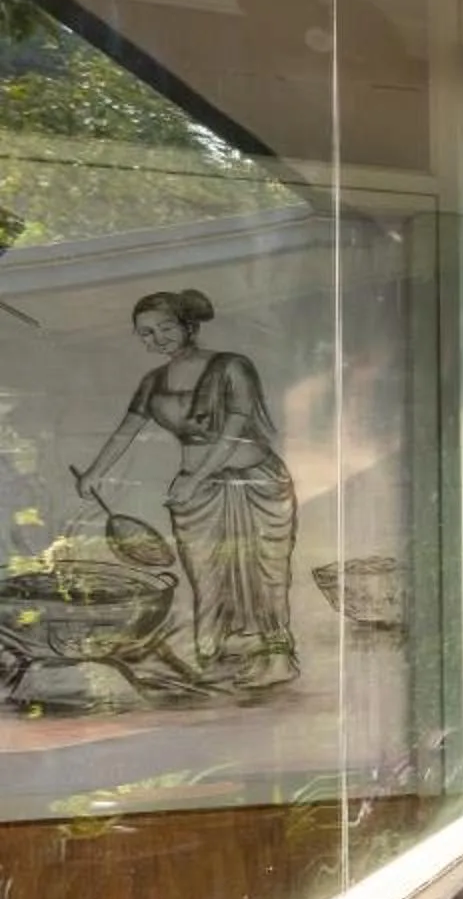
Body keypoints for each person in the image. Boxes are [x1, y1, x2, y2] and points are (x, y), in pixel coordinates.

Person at [72, 288, 298, 692]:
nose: (156, 339)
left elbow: (233, 431)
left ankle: (277, 656)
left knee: (264, 569)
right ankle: (219, 654)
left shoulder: (232, 367)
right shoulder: (153, 381)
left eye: (164, 328)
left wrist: (196, 478)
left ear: (187, 325)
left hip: (254, 485)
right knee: (206, 574)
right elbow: (127, 431)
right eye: (145, 333)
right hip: (196, 496)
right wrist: (94, 473)